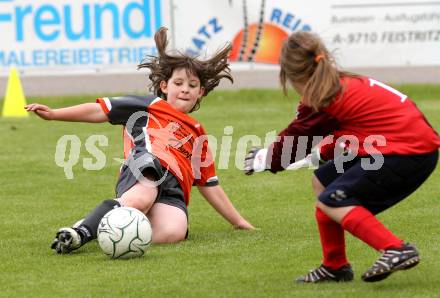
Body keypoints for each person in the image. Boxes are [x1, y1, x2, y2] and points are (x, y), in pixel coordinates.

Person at [25, 27, 254, 254]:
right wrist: (55, 114)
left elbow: (208, 184)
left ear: (201, 92)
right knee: (142, 197)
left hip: (174, 188)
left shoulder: (198, 132)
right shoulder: (150, 105)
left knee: (173, 232)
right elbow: (99, 110)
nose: (185, 89)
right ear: (165, 86)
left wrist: (239, 222)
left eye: (192, 85)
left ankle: (108, 227)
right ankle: (80, 232)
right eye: (179, 83)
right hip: (147, 164)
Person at [244, 31, 439, 283]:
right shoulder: (336, 83)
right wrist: (319, 156)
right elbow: (343, 131)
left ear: (289, 75)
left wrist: (265, 159)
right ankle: (334, 266)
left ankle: (395, 249)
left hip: (407, 153)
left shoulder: (323, 96)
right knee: (323, 182)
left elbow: (297, 138)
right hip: (402, 146)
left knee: (332, 200)